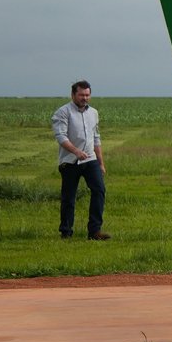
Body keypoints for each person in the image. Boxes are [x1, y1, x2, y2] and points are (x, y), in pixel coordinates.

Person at [53, 80, 109, 239]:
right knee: (69, 197)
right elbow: (61, 137)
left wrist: (101, 163)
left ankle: (94, 231)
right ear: (73, 95)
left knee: (99, 190)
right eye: (81, 95)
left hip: (90, 160)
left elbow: (96, 138)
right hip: (70, 161)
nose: (85, 98)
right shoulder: (63, 112)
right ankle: (66, 232)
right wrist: (76, 151)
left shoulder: (94, 113)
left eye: (87, 95)